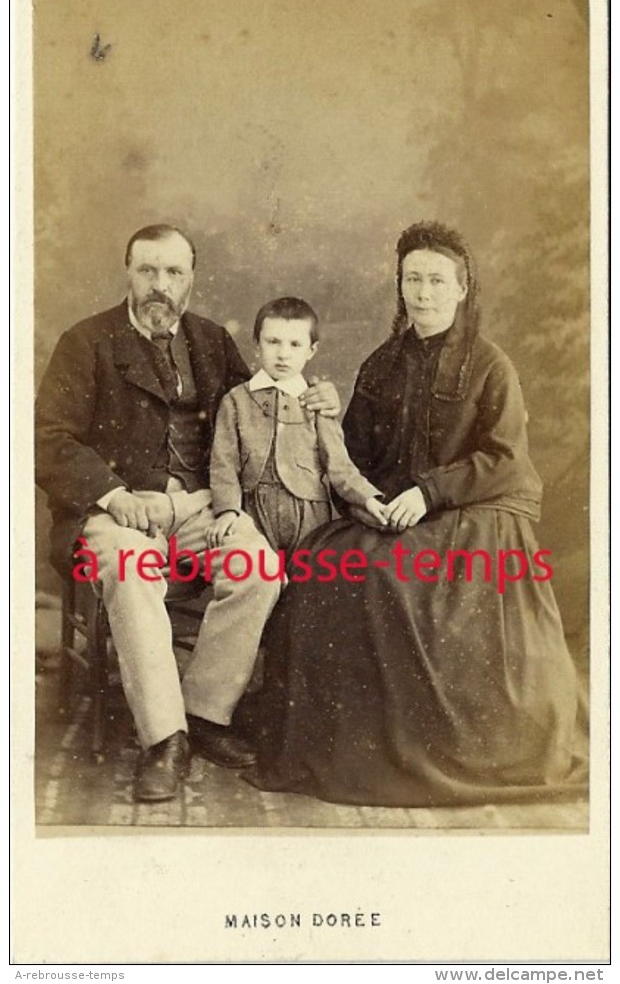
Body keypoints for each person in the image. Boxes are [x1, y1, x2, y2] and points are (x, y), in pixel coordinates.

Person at [251, 221, 586, 808]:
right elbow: (354, 454)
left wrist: (429, 493)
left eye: (436, 281)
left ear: (461, 289)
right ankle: (351, 744)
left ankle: (430, 746)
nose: (423, 293)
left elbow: (506, 458)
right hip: (397, 510)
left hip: (478, 509)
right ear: (400, 286)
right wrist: (327, 417)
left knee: (391, 579)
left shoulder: (489, 363)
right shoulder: (382, 364)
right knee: (322, 565)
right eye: (412, 280)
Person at [35, 224, 340, 803]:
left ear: (191, 280)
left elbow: (261, 404)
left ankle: (204, 714)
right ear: (128, 272)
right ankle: (165, 739)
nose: (160, 285)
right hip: (119, 512)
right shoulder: (86, 342)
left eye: (173, 273)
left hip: (201, 508)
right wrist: (115, 494)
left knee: (259, 567)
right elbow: (46, 439)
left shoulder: (208, 341)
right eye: (148, 270)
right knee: (131, 570)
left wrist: (316, 397)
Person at [206, 296, 387, 558]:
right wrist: (227, 512)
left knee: (305, 586)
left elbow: (340, 466)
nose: (283, 354)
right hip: (253, 510)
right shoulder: (236, 401)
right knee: (258, 578)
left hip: (309, 515)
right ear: (257, 345)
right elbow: (223, 464)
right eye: (273, 342)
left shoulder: (316, 401)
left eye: (295, 344)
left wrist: (369, 498)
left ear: (311, 351)